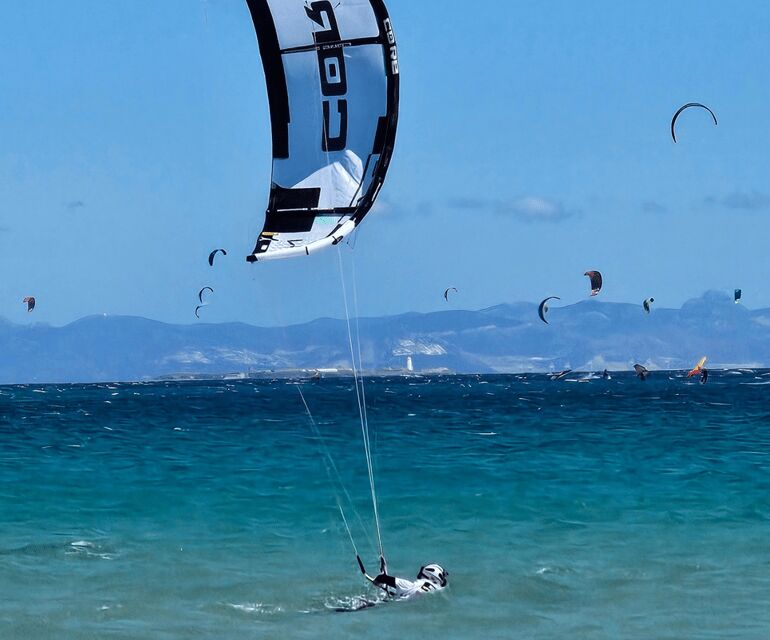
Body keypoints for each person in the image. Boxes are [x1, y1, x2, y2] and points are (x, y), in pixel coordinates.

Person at [359, 556, 448, 600]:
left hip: (393, 602)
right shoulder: (438, 589)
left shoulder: (411, 585)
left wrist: (377, 582)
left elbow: (382, 578)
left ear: (430, 575)